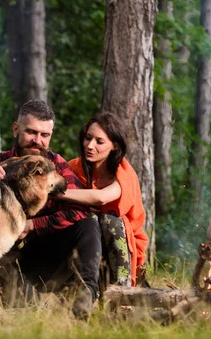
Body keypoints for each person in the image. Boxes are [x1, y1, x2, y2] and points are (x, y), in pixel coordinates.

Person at [0, 100, 101, 320]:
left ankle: (84, 296)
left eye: (45, 135)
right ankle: (33, 309)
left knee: (88, 223)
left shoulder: (57, 165)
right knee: (26, 308)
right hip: (10, 257)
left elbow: (80, 210)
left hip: (47, 252)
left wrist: (33, 225)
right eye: (31, 132)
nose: (38, 141)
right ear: (16, 129)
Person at [57, 112, 148, 288]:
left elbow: (101, 198)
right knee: (85, 220)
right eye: (88, 138)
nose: (90, 146)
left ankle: (122, 292)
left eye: (99, 141)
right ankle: (81, 291)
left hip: (118, 238)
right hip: (85, 239)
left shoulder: (124, 173)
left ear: (114, 146)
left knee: (109, 220)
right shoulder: (74, 167)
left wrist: (58, 192)